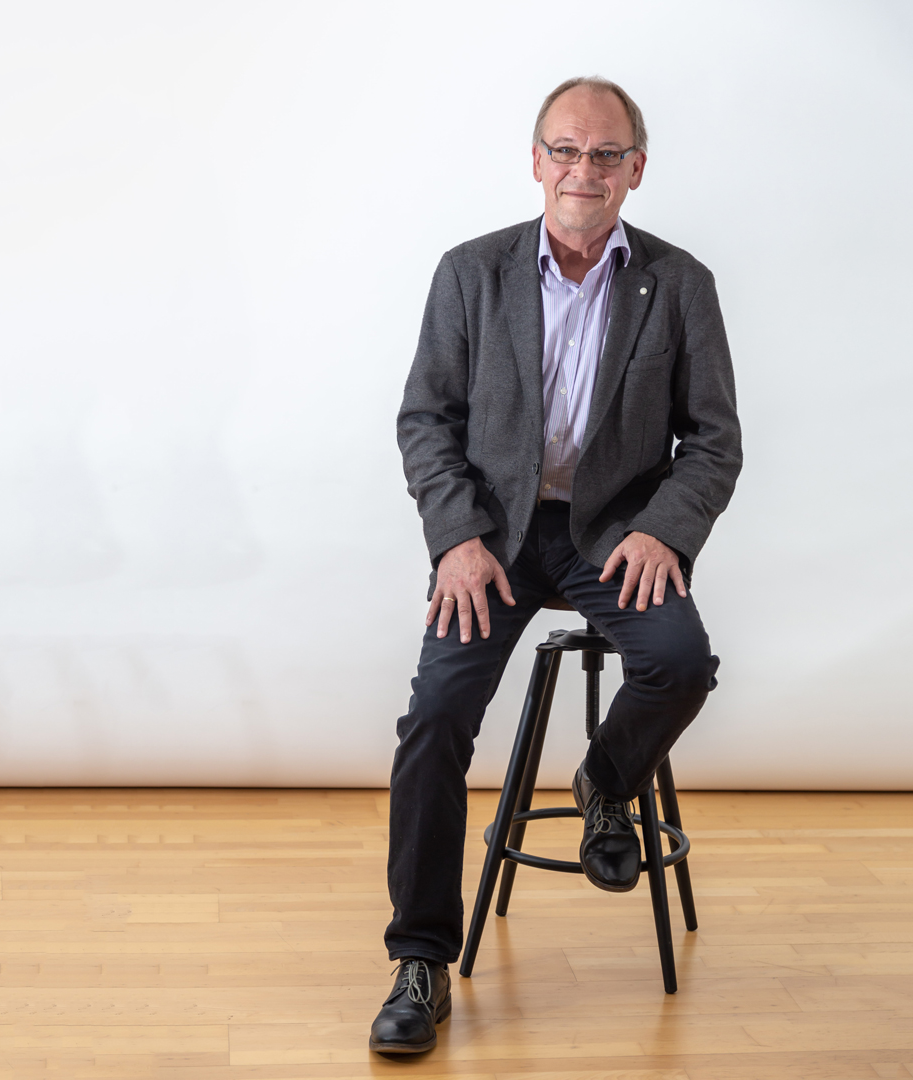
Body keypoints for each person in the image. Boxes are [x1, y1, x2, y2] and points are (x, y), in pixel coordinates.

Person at [369, 76, 742, 1055]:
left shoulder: (680, 284)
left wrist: (663, 532)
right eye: (566, 151)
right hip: (491, 538)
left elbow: (713, 441)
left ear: (636, 170)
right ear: (536, 161)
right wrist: (455, 538)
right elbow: (426, 420)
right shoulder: (471, 273)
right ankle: (419, 959)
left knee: (680, 664)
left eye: (606, 154)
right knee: (435, 718)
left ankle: (605, 781)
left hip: (612, 534)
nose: (585, 170)